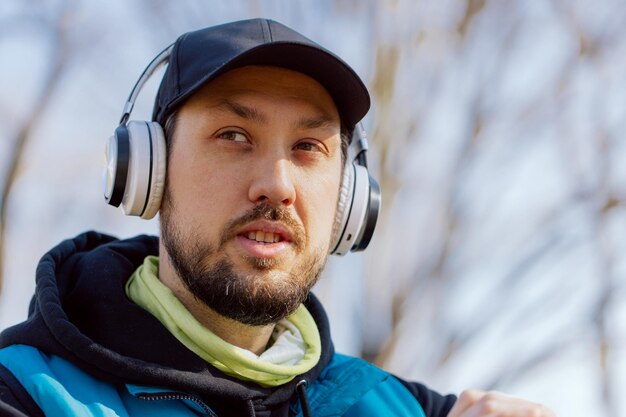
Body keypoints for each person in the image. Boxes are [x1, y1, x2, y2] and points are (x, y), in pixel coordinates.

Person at [0, 19, 555, 417]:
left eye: (309, 147)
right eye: (234, 136)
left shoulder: (399, 405)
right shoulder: (25, 390)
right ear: (149, 172)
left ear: (348, 202)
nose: (278, 185)